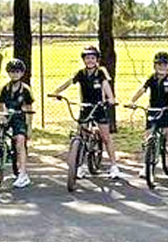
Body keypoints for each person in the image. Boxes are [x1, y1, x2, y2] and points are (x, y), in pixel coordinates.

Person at [51, 45, 122, 178]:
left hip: (99, 106)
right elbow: (69, 82)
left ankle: (114, 166)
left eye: (92, 58)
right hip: (85, 107)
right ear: (84, 60)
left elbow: (106, 86)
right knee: (81, 134)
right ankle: (81, 166)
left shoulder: (101, 72)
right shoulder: (81, 73)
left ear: (97, 60)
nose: (90, 60)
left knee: (106, 137)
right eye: (87, 58)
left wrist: (110, 98)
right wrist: (56, 92)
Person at [126, 51, 168, 179]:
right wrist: (132, 101)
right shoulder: (151, 78)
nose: (161, 67)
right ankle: (146, 166)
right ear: (155, 66)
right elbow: (142, 89)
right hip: (153, 110)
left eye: (164, 64)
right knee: (147, 137)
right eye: (159, 64)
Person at [0, 58, 34, 188]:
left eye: (17, 72)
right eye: (12, 72)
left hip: (20, 119)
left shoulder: (25, 89)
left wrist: (29, 127)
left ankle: (23, 174)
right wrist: (0, 118)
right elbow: (0, 106)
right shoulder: (4, 88)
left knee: (19, 142)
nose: (14, 74)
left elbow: (29, 110)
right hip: (8, 117)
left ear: (22, 73)